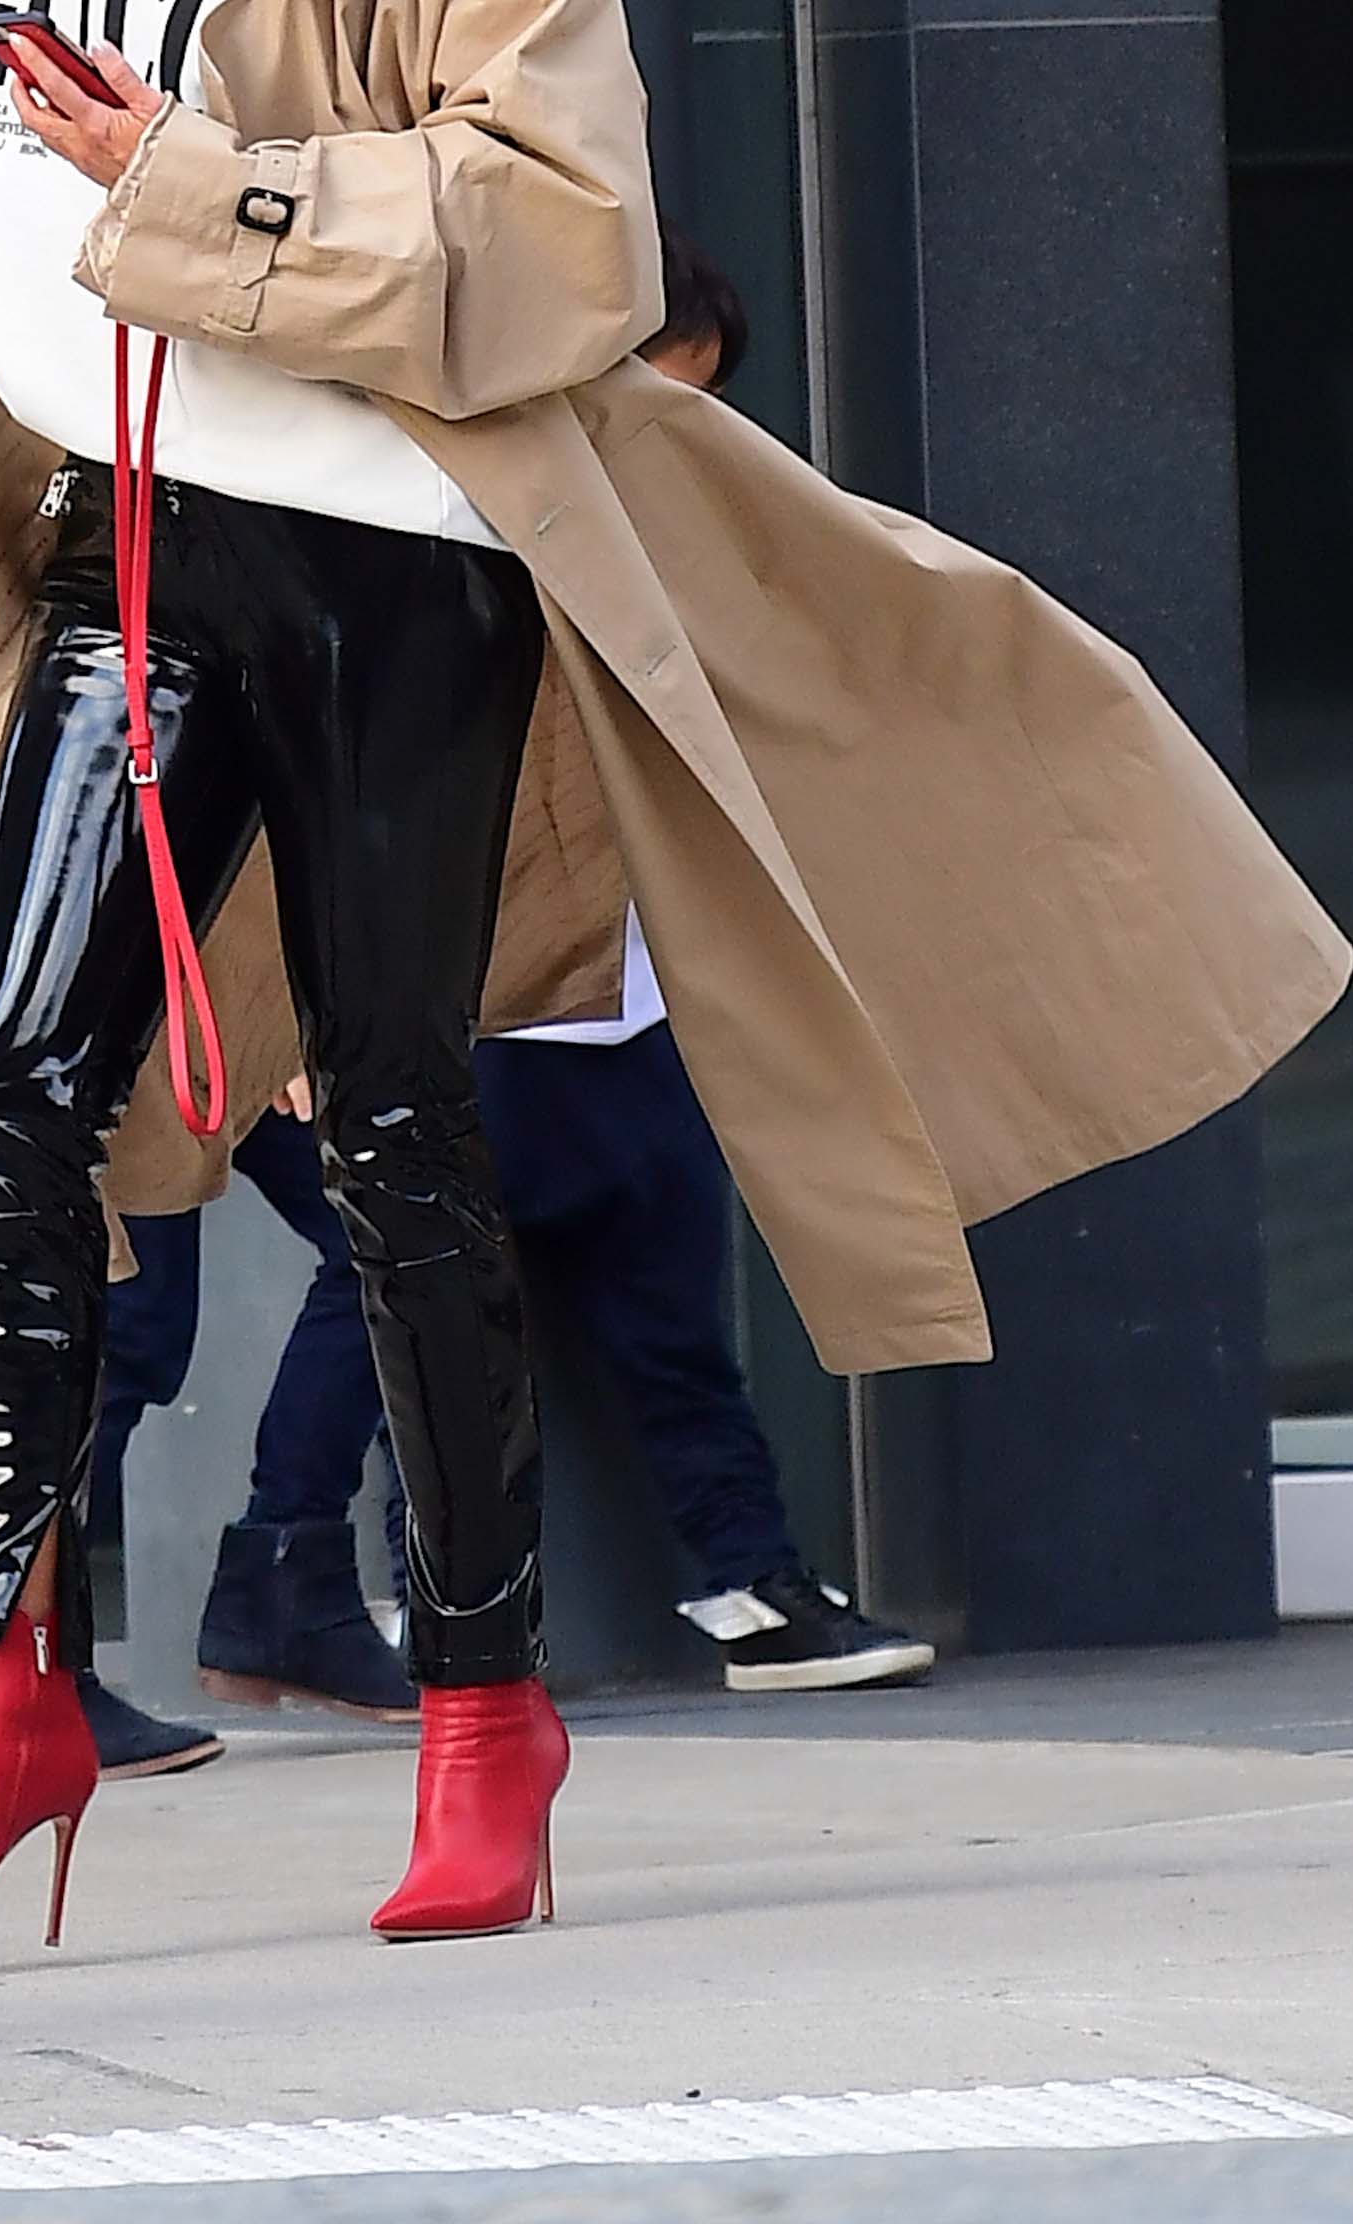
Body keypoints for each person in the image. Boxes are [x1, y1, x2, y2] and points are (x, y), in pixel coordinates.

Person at [0, 0, 1345, 1955]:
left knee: (391, 1137)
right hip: (104, 538)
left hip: (383, 555)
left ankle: (484, 1713)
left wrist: (197, 191)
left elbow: (570, 236)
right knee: (0, 1091)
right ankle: (1, 1702)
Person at [476, 228, 928, 1692]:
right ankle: (295, 1580)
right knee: (392, 1332)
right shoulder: (468, 542)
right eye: (655, 398)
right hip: (485, 1013)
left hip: (629, 1009)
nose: (672, 436)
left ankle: (750, 1581)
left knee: (664, 1321)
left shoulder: (665, 554)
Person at [83, 1128, 414, 1780]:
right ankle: (26, 1675)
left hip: (236, 1034)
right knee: (128, 1320)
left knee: (393, 1233)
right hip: (126, 1049)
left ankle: (288, 1587)